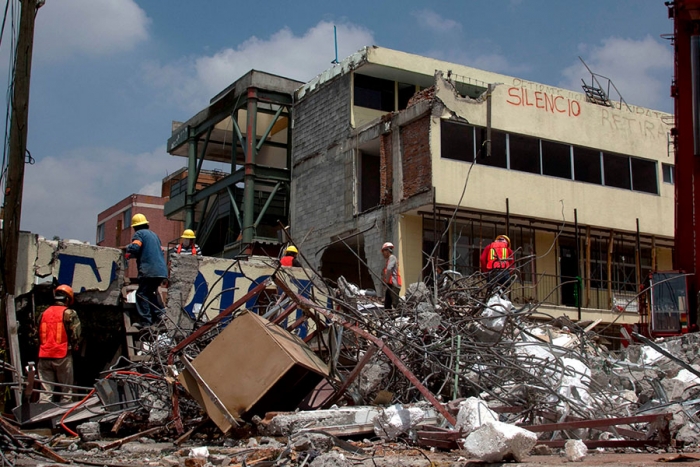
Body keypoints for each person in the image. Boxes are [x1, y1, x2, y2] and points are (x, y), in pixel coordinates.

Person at [37, 285, 81, 404]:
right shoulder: (69, 313)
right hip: (62, 355)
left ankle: (42, 417)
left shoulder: (43, 313)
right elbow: (76, 334)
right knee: (66, 393)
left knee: (45, 394)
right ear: (67, 299)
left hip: (44, 355)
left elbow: (37, 333)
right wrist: (75, 346)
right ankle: (63, 418)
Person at [125, 214, 168, 327]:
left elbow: (135, 247)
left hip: (149, 270)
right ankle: (160, 314)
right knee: (149, 293)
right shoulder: (155, 236)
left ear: (135, 227)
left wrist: (127, 248)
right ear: (146, 224)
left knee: (141, 294)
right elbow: (157, 251)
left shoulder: (139, 234)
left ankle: (146, 322)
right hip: (160, 271)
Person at [381, 242, 402, 310]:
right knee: (387, 303)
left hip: (394, 284)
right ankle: (389, 315)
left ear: (388, 250)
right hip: (391, 284)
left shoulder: (392, 257)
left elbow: (389, 269)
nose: (383, 253)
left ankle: (399, 316)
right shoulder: (389, 260)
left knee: (395, 303)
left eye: (384, 251)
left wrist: (386, 281)